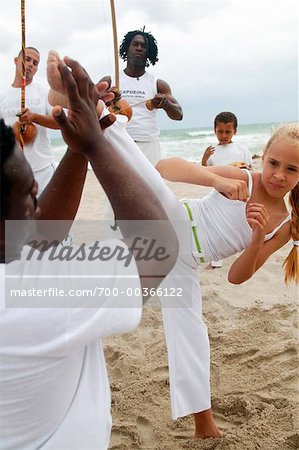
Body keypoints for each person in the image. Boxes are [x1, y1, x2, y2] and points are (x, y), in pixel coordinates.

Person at [47, 52, 299, 439]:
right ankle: (91, 109)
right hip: (173, 221)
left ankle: (203, 424)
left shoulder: (284, 223)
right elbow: (166, 170)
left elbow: (236, 277)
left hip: (185, 263)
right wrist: (215, 181)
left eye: (291, 169)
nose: (278, 176)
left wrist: (254, 240)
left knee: (190, 330)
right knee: (151, 184)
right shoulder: (246, 178)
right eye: (273, 163)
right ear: (262, 158)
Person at [0, 56, 178, 449]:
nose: (37, 197)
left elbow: (35, 239)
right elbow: (159, 249)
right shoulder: (41, 295)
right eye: (28, 194)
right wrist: (97, 143)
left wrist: (78, 149)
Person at [100, 29, 183, 166]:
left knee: (149, 187)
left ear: (149, 53)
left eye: (143, 46)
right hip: (117, 142)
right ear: (127, 48)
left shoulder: (157, 84)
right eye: (135, 44)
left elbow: (178, 114)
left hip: (148, 146)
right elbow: (90, 105)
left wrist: (165, 103)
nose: (139, 48)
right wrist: (106, 98)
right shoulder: (110, 81)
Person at [0, 47, 59, 195]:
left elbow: (59, 123)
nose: (31, 64)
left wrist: (35, 117)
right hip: (14, 172)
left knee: (48, 217)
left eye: (35, 62)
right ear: (16, 61)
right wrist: (11, 132)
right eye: (27, 59)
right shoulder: (3, 97)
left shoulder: (44, 92)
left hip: (44, 169)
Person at [201, 111, 253, 268]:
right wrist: (204, 158)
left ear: (235, 132)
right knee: (218, 224)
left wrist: (246, 168)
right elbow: (205, 172)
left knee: (241, 222)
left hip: (240, 193)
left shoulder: (241, 149)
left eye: (228, 132)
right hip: (220, 194)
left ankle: (245, 249)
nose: (223, 135)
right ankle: (217, 258)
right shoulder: (212, 152)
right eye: (220, 132)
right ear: (214, 130)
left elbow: (250, 169)